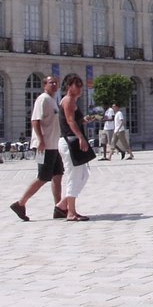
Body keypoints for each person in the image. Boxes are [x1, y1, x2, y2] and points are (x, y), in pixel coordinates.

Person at [10, 76, 64, 222]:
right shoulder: (43, 99)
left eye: (55, 82)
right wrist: (40, 140)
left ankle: (58, 207)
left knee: (58, 175)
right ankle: (20, 203)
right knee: (43, 176)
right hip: (45, 145)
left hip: (54, 145)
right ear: (44, 85)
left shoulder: (52, 100)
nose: (53, 84)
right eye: (50, 82)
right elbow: (35, 120)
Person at [56, 73, 91, 221]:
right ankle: (71, 212)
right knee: (73, 175)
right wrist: (81, 137)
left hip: (73, 140)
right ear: (69, 86)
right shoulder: (68, 100)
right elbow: (70, 122)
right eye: (77, 85)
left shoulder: (73, 102)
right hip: (69, 141)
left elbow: (75, 120)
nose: (80, 88)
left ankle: (63, 205)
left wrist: (83, 120)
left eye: (80, 85)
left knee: (83, 174)